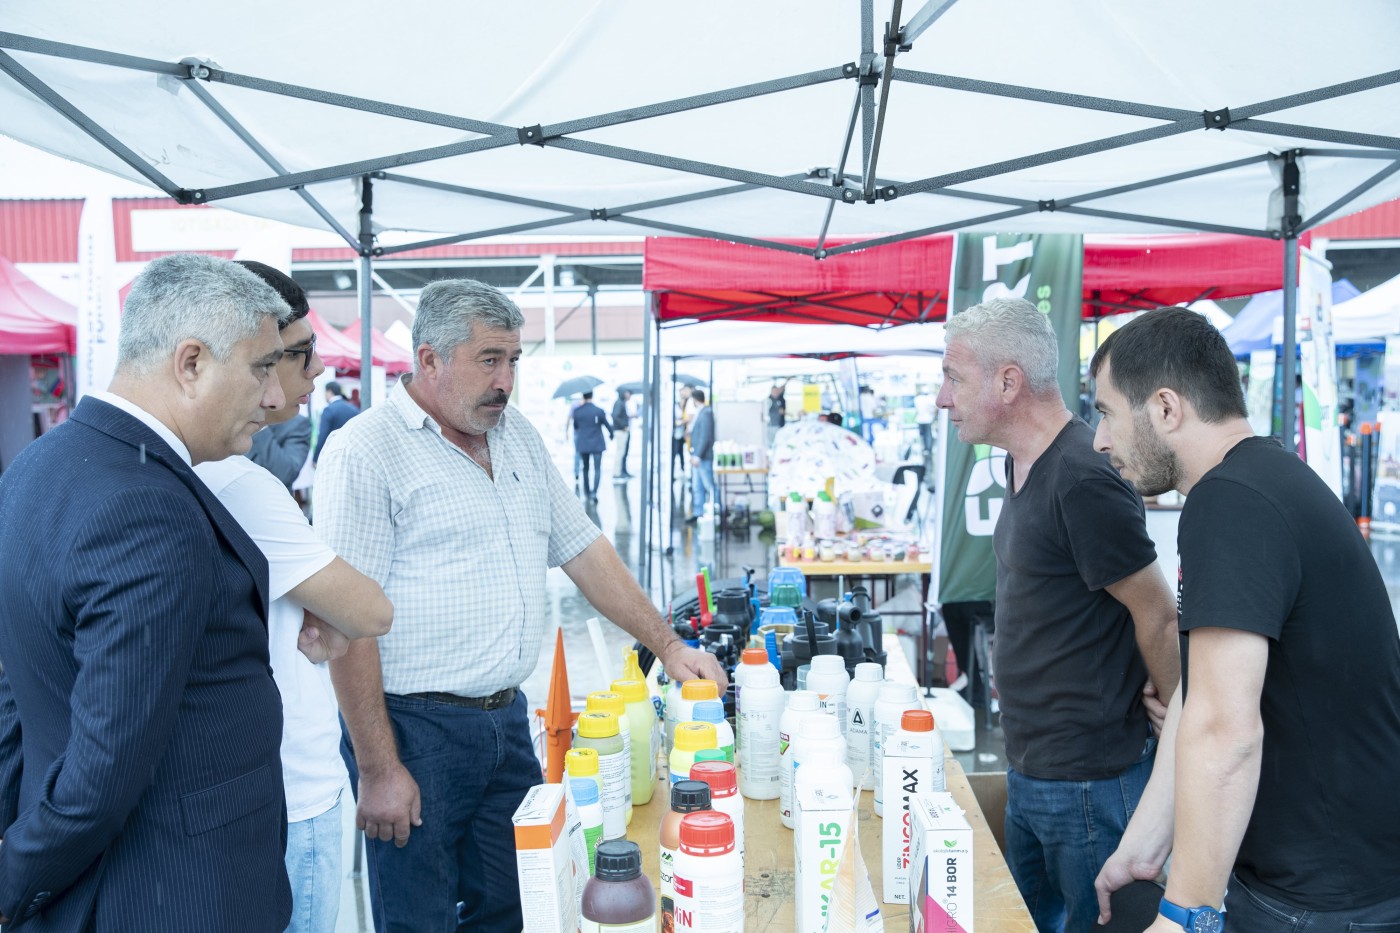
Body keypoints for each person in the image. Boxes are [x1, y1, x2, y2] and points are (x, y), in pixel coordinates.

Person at [314, 278, 727, 932]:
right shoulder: (366, 450)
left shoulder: (517, 437)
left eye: (513, 361)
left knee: (520, 905)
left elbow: (585, 548)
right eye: (488, 360)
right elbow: (343, 620)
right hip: (413, 729)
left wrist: (669, 643)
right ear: (429, 359)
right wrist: (378, 765)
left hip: (505, 722)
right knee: (420, 918)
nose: (506, 380)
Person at [0, 253, 293, 931]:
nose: (273, 397)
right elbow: (102, 771)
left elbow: (21, 694)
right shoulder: (145, 507)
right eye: (260, 367)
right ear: (190, 362)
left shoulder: (37, 468)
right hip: (173, 891)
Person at [1090, 307, 1400, 932]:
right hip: (1323, 877)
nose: (1099, 441)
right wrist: (1144, 847)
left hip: (1324, 896)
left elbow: (1226, 732)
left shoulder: (1231, 502)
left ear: (1166, 408)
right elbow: (1199, 698)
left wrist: (1187, 914)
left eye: (1105, 412)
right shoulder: (1260, 479)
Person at [935, 296, 1179, 933]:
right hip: (1035, 769)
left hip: (1091, 784)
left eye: (953, 377)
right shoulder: (1022, 464)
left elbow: (1155, 611)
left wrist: (1182, 722)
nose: (943, 397)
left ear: (1008, 382)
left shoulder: (1081, 475)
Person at [197, 262, 393, 933]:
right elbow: (369, 610)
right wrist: (332, 606)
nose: (309, 379)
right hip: (292, 787)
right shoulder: (240, 484)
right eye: (296, 357)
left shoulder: (173, 471)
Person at [570, 390, 612, 502]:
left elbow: (575, 426)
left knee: (585, 468)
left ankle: (587, 493)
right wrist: (611, 434)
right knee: (597, 468)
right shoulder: (599, 411)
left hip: (583, 443)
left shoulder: (577, 411)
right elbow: (607, 425)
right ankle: (594, 493)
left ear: (583, 396)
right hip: (597, 443)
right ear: (592, 396)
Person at [312, 379, 359, 464]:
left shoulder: (328, 410)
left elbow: (322, 436)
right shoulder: (354, 409)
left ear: (329, 392)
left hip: (332, 457)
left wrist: (315, 459)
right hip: (352, 456)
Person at [687, 388, 716, 525]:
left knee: (708, 485)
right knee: (697, 486)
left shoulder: (706, 413)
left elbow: (705, 436)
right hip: (697, 456)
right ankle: (698, 513)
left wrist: (697, 455)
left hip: (703, 457)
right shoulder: (701, 413)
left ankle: (715, 512)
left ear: (694, 399)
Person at [612, 388, 633, 479]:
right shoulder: (619, 403)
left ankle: (622, 471)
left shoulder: (622, 403)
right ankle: (617, 472)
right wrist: (623, 425)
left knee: (623, 452)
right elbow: (615, 416)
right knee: (620, 452)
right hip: (621, 430)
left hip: (623, 430)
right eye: (628, 393)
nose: (629, 396)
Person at [914, 383, 937, 458]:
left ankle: (924, 449)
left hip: (920, 419)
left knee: (922, 435)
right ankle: (928, 449)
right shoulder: (931, 398)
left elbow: (916, 410)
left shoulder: (917, 399)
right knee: (928, 435)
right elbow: (934, 409)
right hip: (928, 419)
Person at [766, 379, 789, 446]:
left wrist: (787, 381)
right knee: (772, 444)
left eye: (777, 391)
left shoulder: (779, 399)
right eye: (774, 391)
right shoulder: (769, 401)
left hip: (779, 426)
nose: (776, 392)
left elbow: (781, 389)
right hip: (772, 426)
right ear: (771, 391)